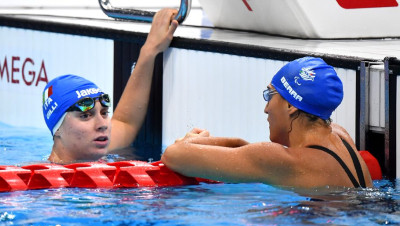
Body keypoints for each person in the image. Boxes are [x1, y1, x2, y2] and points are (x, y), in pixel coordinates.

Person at [161, 57, 373, 189]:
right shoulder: (340, 135)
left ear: (291, 105)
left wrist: (189, 143)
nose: (266, 108)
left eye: (270, 95)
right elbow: (253, 153)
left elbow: (173, 155)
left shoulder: (283, 161)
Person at [42, 9, 178, 164]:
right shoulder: (37, 182)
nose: (103, 125)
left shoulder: (97, 144)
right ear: (57, 128)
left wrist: (150, 50)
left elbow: (126, 121)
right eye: (85, 116)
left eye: (105, 113)